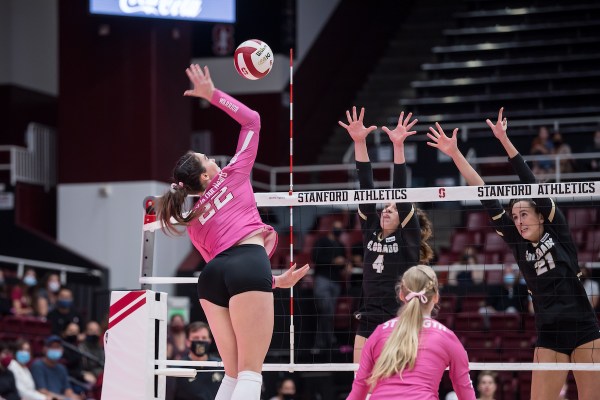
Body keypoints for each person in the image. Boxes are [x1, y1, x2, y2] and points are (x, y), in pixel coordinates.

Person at [156, 64, 309, 400]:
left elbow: (224, 269)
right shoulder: (232, 174)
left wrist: (273, 282)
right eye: (207, 157)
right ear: (208, 177)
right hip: (248, 264)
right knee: (251, 372)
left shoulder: (194, 218)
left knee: (233, 372)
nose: (213, 159)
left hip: (211, 278)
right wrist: (213, 95)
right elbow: (252, 119)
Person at [427, 107, 600, 400]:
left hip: (585, 328)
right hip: (550, 335)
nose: (518, 221)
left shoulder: (557, 230)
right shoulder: (517, 243)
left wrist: (504, 140)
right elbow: (483, 193)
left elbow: (530, 181)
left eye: (524, 214)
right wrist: (456, 154)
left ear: (541, 215)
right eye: (514, 216)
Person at [338, 107, 434, 363]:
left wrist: (398, 147)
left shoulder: (408, 239)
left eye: (392, 208)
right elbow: (366, 188)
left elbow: (402, 196)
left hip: (398, 317)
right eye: (385, 207)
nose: (386, 210)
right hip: (368, 318)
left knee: (394, 382)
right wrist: (360, 142)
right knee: (361, 380)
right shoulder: (370, 228)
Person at [346, 265, 475, 399]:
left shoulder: (379, 332)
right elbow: (465, 390)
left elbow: (359, 390)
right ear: (436, 297)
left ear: (401, 295)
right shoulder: (447, 337)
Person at [311, 219, 347, 351]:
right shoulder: (322, 242)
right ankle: (330, 341)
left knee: (328, 313)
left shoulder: (340, 245)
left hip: (336, 282)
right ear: (331, 228)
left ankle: (321, 344)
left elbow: (343, 263)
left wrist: (345, 265)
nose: (338, 231)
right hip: (323, 280)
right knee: (326, 310)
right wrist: (333, 261)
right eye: (336, 228)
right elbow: (315, 258)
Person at [165, 321, 224, 400]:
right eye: (196, 338)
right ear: (188, 342)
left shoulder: (220, 366)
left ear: (209, 341)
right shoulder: (177, 368)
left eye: (204, 338)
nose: (200, 341)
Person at [30, 335, 81, 400]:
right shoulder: (37, 366)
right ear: (44, 349)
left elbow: (68, 390)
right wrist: (64, 399)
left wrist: (74, 397)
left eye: (57, 347)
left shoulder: (62, 368)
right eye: (52, 347)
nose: (55, 350)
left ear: (62, 350)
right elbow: (42, 391)